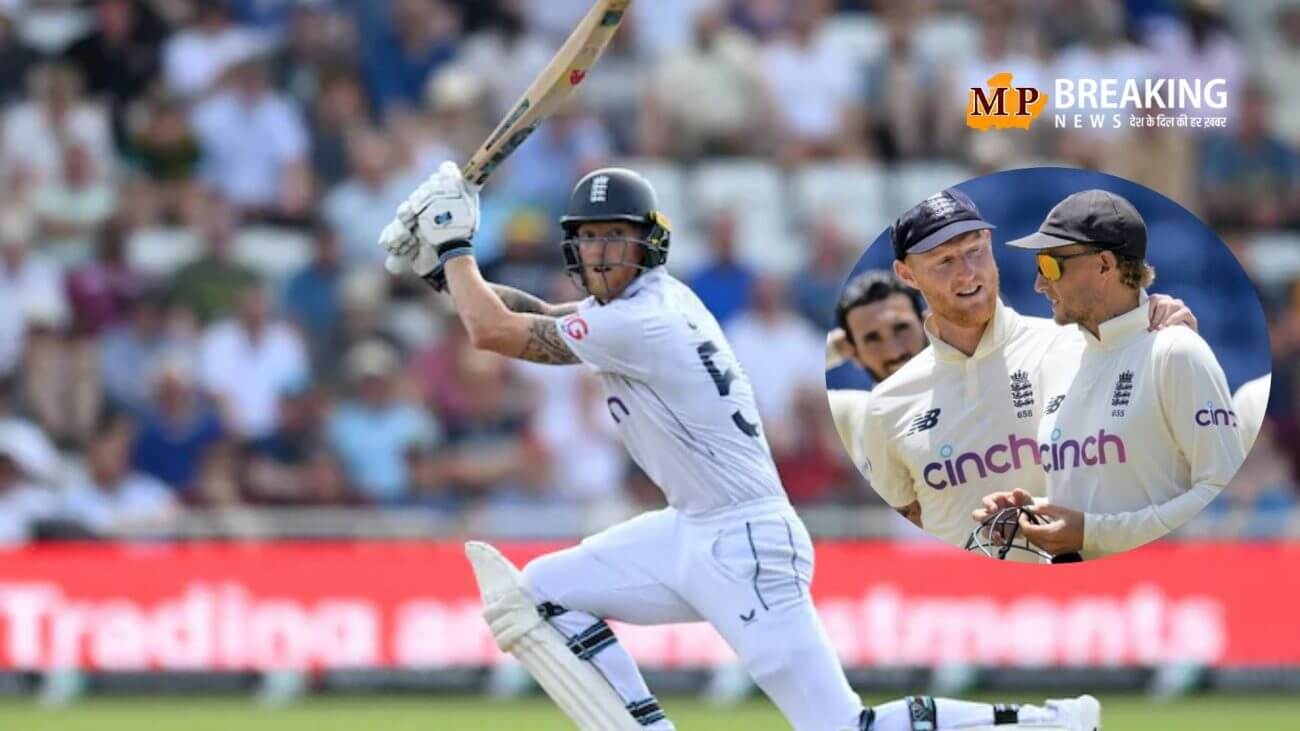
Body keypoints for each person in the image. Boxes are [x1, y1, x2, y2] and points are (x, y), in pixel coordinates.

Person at [379, 164, 1099, 731]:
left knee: (841, 726)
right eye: (589, 238)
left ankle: (1049, 724)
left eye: (615, 237)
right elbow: (530, 315)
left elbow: (496, 332)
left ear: (649, 243)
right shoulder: (633, 309)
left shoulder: (642, 322)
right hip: (691, 528)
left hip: (744, 541)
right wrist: (443, 272)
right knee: (539, 594)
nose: (600, 253)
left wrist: (455, 246)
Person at [858, 189, 1196, 557]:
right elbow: (909, 524)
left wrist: (1164, 328)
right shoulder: (885, 405)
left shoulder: (1082, 344)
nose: (968, 273)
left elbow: (1171, 456)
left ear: (990, 242)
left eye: (975, 250)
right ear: (906, 274)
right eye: (945, 261)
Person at [978, 190, 1244, 560]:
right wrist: (1033, 514)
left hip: (1156, 591)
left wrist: (1091, 534)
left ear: (1105, 265)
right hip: (1082, 593)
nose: (1039, 283)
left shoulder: (1176, 351)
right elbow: (1101, 499)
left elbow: (1221, 496)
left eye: (1050, 265)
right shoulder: (1057, 355)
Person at [823, 271, 928, 513]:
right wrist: (834, 348)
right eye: (872, 338)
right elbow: (748, 397)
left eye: (901, 328)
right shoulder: (855, 413)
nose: (893, 351)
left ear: (926, 325)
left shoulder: (971, 388)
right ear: (854, 353)